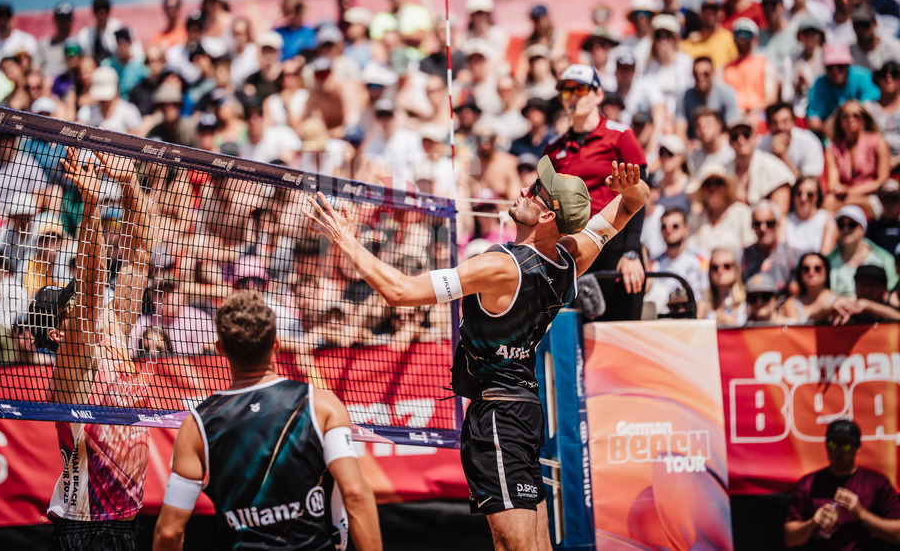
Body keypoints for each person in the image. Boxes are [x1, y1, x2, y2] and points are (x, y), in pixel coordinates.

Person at [304, 156, 649, 551]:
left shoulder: (500, 267)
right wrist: (631, 187)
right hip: (525, 409)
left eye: (535, 192)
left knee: (516, 546)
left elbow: (400, 291)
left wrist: (346, 240)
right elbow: (633, 203)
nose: (523, 189)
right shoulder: (573, 257)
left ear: (547, 216)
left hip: (498, 416)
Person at [152, 290, 382, 551]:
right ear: (276, 343)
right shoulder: (322, 405)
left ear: (220, 349)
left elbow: (169, 532)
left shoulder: (197, 425)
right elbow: (355, 494)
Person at [35, 148, 153, 549]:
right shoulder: (73, 361)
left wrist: (129, 183)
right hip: (86, 529)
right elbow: (88, 288)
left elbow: (139, 255)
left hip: (126, 522)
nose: (85, 302)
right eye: (68, 304)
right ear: (56, 332)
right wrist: (91, 206)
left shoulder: (114, 331)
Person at [545, 65, 648, 322]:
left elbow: (640, 196)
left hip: (615, 243)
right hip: (572, 250)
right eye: (566, 91)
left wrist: (632, 252)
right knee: (572, 335)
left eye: (580, 89)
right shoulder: (553, 147)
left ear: (599, 95)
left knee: (619, 333)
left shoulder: (621, 135)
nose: (573, 96)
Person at [785, 419, 900, 549]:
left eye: (846, 445)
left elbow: (898, 534)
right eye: (833, 444)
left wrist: (861, 514)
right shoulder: (808, 484)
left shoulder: (876, 483)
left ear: (857, 448)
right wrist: (812, 523)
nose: (839, 451)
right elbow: (790, 538)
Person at [830, 264, 900, 326]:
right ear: (855, 287)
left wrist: (868, 306)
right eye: (862, 284)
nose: (867, 289)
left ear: (885, 291)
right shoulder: (847, 315)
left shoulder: (892, 312)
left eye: (873, 285)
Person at [780, 253, 838, 324]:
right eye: (806, 269)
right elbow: (796, 330)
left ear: (826, 271)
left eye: (817, 268)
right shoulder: (791, 303)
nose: (811, 273)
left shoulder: (838, 300)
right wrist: (818, 314)